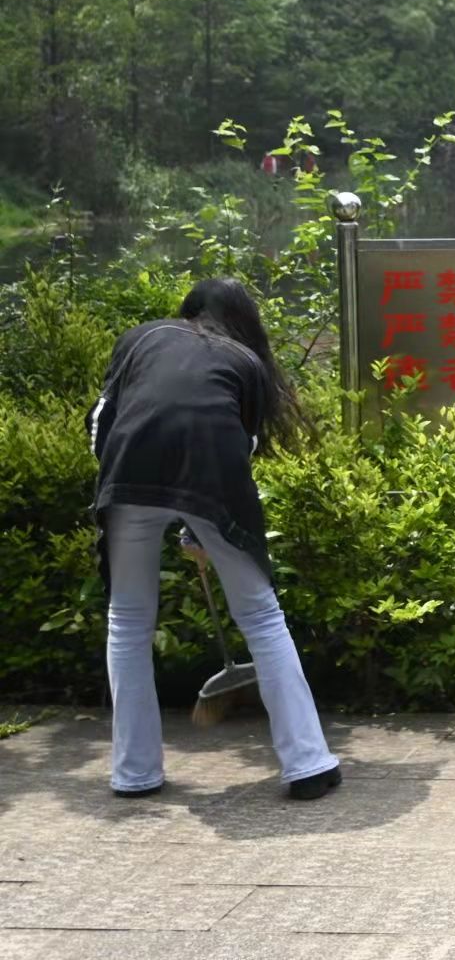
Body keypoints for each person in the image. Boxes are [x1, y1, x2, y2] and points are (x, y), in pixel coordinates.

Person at [88, 278, 342, 799]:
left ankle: (134, 774)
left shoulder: (142, 338)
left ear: (189, 311)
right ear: (244, 322)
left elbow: (101, 425)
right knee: (262, 616)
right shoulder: (246, 362)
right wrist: (205, 527)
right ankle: (309, 766)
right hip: (212, 480)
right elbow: (233, 450)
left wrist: (125, 484)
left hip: (128, 472)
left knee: (128, 622)